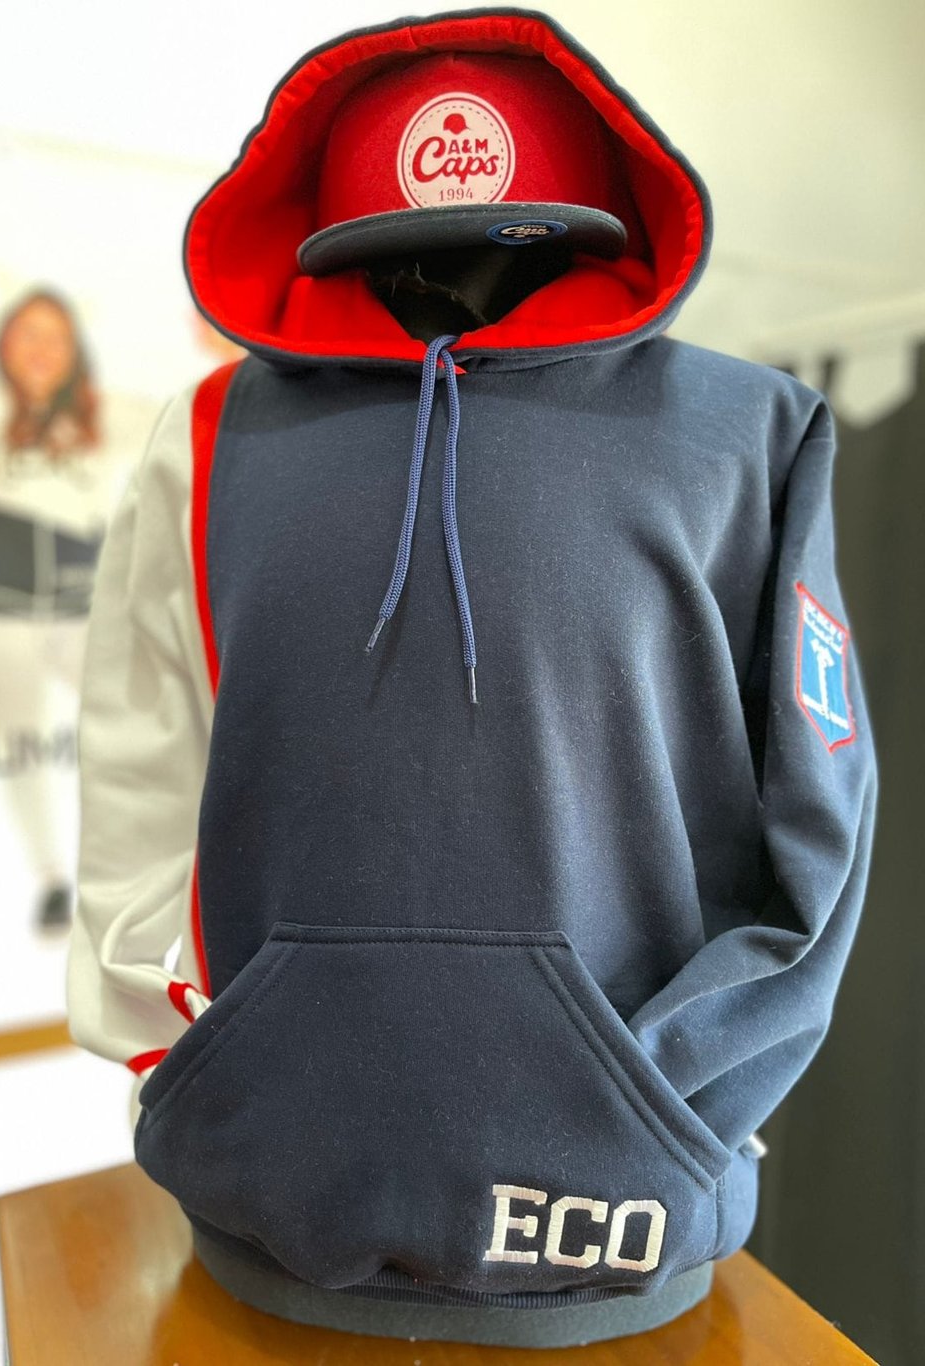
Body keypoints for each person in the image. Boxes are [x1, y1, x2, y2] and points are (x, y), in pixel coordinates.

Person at [66, 8, 878, 1348]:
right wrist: (195, 1063)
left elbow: (819, 828)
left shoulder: (749, 435)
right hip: (256, 1217)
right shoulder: (206, 439)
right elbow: (140, 780)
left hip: (634, 1236)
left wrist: (666, 1105)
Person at [0, 287, 155, 929]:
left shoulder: (104, 415)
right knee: (21, 746)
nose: (41, 349)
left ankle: (123, 870)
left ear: (75, 349)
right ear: (3, 342)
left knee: (124, 729)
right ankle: (49, 878)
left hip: (80, 612)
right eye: (27, 333)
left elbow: (184, 433)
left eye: (56, 336)